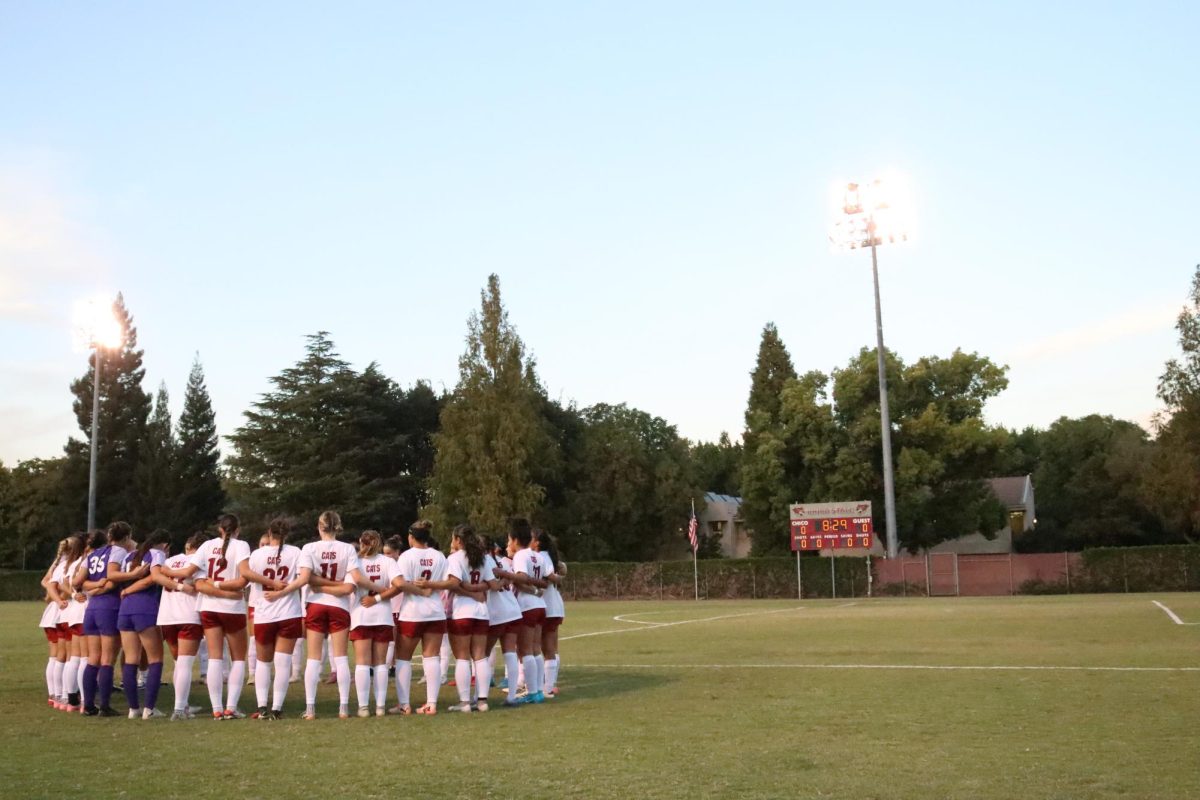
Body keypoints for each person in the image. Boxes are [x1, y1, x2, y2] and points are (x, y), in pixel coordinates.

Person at [162, 513, 252, 720]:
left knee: (214, 657)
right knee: (238, 659)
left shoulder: (206, 546)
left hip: (209, 608)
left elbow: (188, 572)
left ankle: (216, 708)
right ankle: (230, 707)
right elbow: (243, 579)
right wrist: (228, 591)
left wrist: (165, 569)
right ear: (237, 529)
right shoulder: (241, 546)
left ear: (219, 529)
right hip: (232, 608)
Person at [299, 510, 370, 720]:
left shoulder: (309, 548)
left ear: (320, 526)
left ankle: (310, 708)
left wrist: (321, 588)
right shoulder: (347, 548)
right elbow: (348, 587)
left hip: (316, 604)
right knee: (340, 658)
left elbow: (309, 579)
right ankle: (343, 707)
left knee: (313, 658)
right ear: (337, 526)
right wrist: (335, 585)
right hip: (339, 606)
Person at [75, 522, 138, 716]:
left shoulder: (92, 554)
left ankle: (88, 705)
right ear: (126, 537)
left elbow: (77, 582)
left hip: (91, 608)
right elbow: (111, 580)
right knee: (107, 659)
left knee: (93, 657)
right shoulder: (118, 551)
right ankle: (104, 705)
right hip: (109, 607)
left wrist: (92, 587)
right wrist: (102, 586)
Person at [245, 518, 305, 720]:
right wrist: (282, 591)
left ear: (269, 534)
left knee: (263, 662)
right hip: (289, 612)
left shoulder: (257, 554)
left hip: (264, 612)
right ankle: (277, 708)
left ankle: (262, 706)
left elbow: (246, 576)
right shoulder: (296, 552)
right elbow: (301, 580)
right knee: (282, 662)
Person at [391, 520, 444, 715]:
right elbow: (444, 582)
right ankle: (432, 703)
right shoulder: (439, 556)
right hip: (435, 611)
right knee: (432, 658)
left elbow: (401, 584)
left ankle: (404, 704)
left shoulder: (406, 556)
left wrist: (419, 590)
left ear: (411, 537)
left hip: (412, 612)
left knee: (403, 658)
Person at [117, 529, 170, 718]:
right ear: (165, 545)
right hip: (145, 607)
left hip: (125, 609)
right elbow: (154, 578)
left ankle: (133, 709)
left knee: (131, 659)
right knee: (155, 659)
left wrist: (127, 589)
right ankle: (149, 708)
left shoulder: (129, 556)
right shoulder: (157, 554)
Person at [442, 524, 495, 712]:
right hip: (481, 612)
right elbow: (491, 584)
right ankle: (482, 701)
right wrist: (476, 590)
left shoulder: (454, 558)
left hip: (461, 612)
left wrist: (469, 590)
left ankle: (465, 702)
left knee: (463, 657)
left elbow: (453, 585)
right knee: (480, 657)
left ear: (458, 540)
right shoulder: (484, 558)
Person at [154, 532, 205, 720]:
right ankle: (178, 709)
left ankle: (183, 705)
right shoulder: (201, 560)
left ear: (187, 546)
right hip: (188, 615)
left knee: (178, 663)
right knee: (185, 663)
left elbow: (159, 575)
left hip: (167, 615)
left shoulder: (172, 559)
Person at [347, 530, 397, 717]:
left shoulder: (355, 563)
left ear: (361, 542)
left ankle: (363, 707)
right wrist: (379, 596)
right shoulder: (388, 561)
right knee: (380, 664)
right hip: (383, 616)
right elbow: (397, 586)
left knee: (362, 663)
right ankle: (380, 707)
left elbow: (349, 588)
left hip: (361, 616)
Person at [508, 517, 548, 704]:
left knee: (525, 651)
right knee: (535, 649)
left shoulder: (520, 556)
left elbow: (521, 578)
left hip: (526, 606)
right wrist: (534, 588)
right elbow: (545, 581)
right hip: (540, 605)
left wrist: (508, 576)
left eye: (509, 540)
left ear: (515, 540)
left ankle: (532, 692)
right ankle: (539, 690)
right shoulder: (538, 556)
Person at [484, 537, 523, 706]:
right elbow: (510, 579)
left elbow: (491, 585)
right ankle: (512, 696)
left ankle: (480, 696)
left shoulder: (483, 562)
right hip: (513, 610)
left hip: (496, 612)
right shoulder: (503, 561)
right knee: (510, 653)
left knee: (482, 655)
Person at [56, 534, 88, 712]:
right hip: (83, 611)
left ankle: (69, 699)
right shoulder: (82, 562)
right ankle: (83, 701)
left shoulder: (72, 563)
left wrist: (74, 594)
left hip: (73, 612)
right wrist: (76, 593)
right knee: (84, 657)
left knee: (73, 657)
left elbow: (63, 583)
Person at [533, 529, 566, 698]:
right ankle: (548, 686)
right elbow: (560, 570)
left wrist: (556, 577)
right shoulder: (546, 556)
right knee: (550, 648)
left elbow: (551, 576)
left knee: (544, 648)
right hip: (553, 605)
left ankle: (545, 688)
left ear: (537, 542)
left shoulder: (542, 557)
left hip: (547, 606)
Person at [39, 540, 70, 710]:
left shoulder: (57, 563)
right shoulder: (67, 564)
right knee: (64, 656)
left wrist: (52, 595)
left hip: (51, 611)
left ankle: (54, 694)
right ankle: (62, 694)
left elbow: (45, 581)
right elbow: (58, 584)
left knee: (55, 655)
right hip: (61, 611)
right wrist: (59, 594)